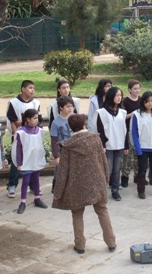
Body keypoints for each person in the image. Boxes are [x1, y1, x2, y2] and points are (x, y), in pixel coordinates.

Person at [52, 114, 117, 255]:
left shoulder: (68, 145)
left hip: (76, 185)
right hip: (97, 182)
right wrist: (106, 179)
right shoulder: (95, 139)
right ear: (84, 124)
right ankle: (111, 242)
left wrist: (58, 193)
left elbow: (63, 172)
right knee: (102, 211)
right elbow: (103, 161)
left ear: (71, 127)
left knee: (77, 213)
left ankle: (80, 245)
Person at [6, 80, 41, 198]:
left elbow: (37, 120)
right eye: (30, 88)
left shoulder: (36, 103)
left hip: (32, 137)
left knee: (31, 160)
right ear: (23, 89)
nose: (32, 90)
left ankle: (33, 186)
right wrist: (17, 134)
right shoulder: (13, 103)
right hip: (19, 136)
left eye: (33, 88)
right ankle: (12, 185)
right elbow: (11, 119)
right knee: (17, 161)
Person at [12, 108, 49, 214]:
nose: (37, 120)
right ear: (27, 119)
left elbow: (40, 146)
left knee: (36, 179)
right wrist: (19, 163)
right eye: (34, 118)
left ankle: (37, 198)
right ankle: (22, 202)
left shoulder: (39, 131)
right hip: (26, 161)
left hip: (35, 159)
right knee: (26, 181)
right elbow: (18, 149)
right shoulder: (21, 133)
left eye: (37, 118)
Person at [130, 91, 152, 199]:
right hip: (143, 147)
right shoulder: (137, 115)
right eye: (147, 101)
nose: (150, 103)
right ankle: (141, 191)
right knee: (142, 170)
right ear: (143, 102)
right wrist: (137, 147)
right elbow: (134, 132)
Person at [96, 86, 128, 201]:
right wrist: (102, 145)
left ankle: (115, 191)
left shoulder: (123, 112)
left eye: (120, 95)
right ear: (111, 96)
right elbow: (100, 130)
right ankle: (101, 191)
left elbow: (124, 130)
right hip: (108, 146)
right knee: (107, 169)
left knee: (116, 169)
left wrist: (126, 145)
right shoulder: (102, 112)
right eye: (117, 95)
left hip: (119, 144)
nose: (119, 98)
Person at [50, 96, 74, 193]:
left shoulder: (74, 118)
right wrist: (56, 156)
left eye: (71, 106)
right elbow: (53, 140)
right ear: (61, 108)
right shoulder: (56, 123)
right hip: (62, 150)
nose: (70, 109)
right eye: (68, 106)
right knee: (59, 170)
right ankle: (56, 187)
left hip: (74, 149)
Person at [120, 79, 141, 188]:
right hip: (128, 131)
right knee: (127, 156)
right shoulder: (125, 102)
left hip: (139, 132)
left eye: (138, 88)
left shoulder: (142, 100)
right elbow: (122, 117)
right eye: (135, 88)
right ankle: (124, 177)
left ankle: (138, 177)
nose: (137, 91)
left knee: (139, 155)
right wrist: (132, 114)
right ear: (129, 90)